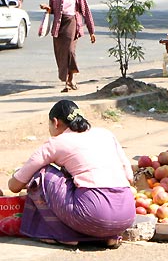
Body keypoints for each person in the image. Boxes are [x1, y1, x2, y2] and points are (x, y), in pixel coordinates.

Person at [6, 100, 136, 247]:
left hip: (93, 215)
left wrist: (23, 179)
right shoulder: (106, 134)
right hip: (126, 215)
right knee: (72, 179)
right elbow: (129, 177)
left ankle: (65, 235)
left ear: (56, 122)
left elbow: (14, 186)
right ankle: (109, 237)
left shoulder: (57, 142)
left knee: (41, 174)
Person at [39, 0, 96, 93]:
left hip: (72, 23)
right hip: (59, 26)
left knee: (70, 51)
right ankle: (67, 81)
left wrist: (91, 31)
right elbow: (53, 10)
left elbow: (86, 12)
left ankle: (70, 79)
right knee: (61, 54)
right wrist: (48, 8)